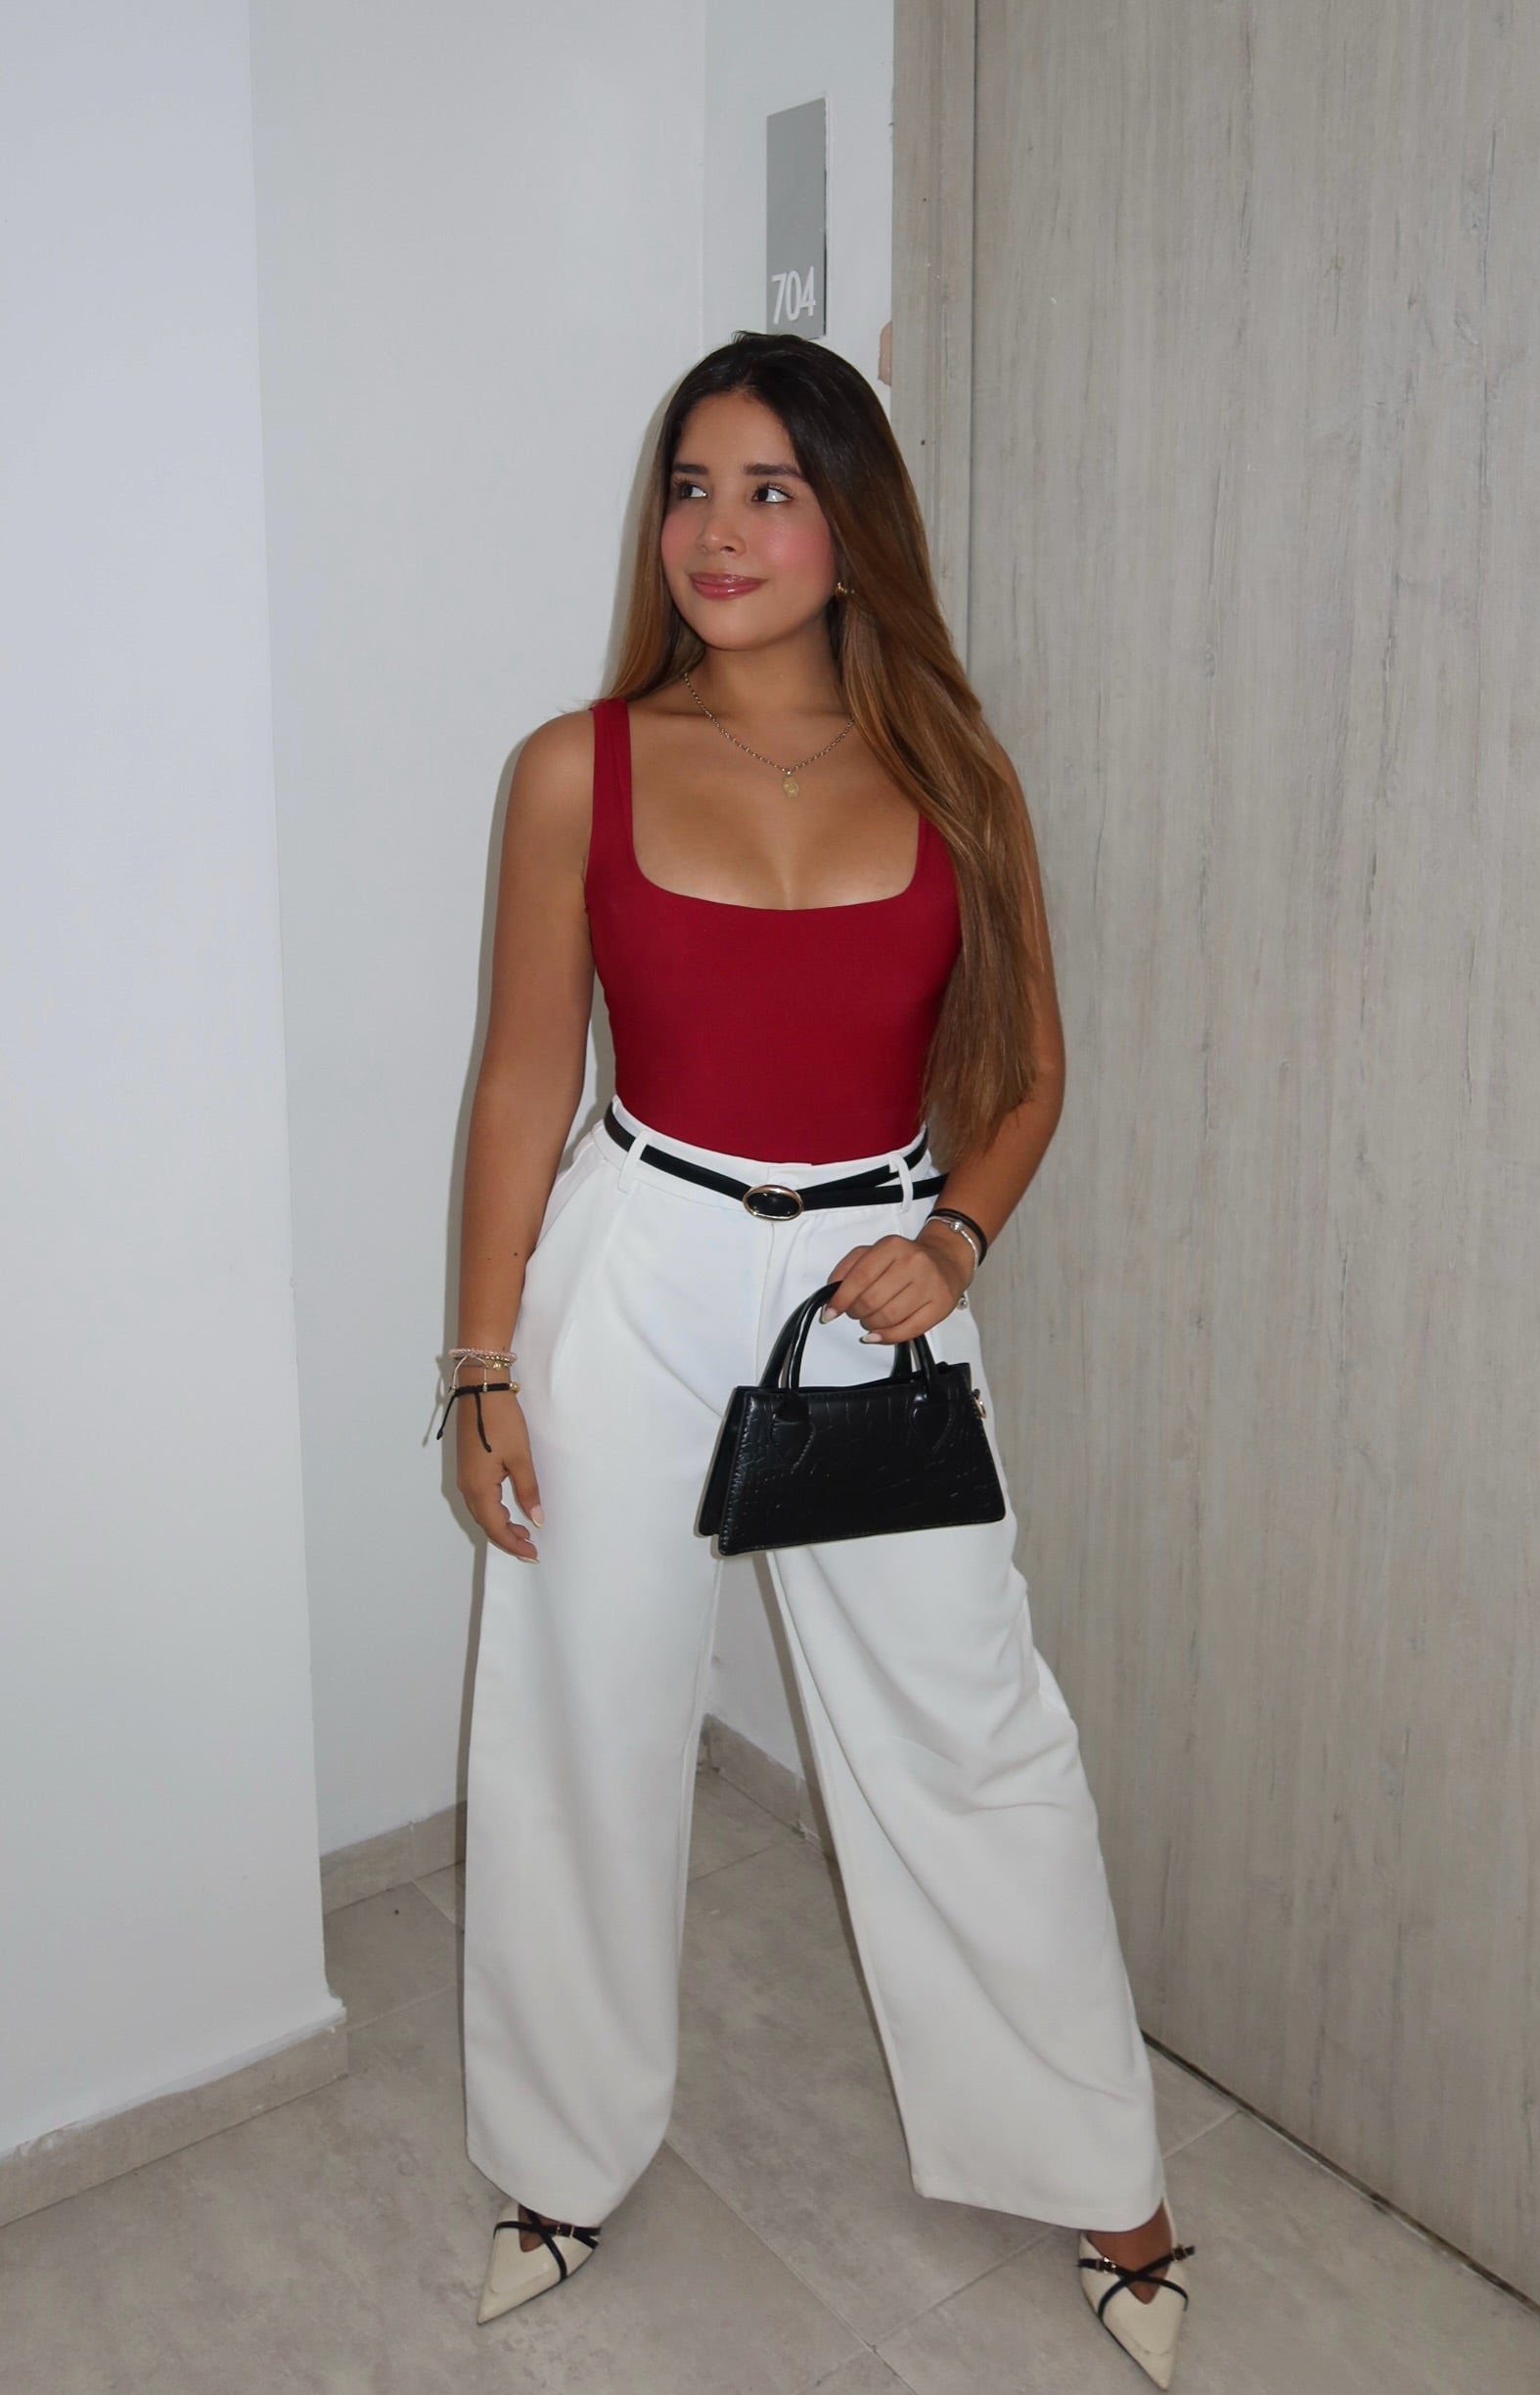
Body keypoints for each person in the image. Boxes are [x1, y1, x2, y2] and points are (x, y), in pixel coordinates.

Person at [438, 331, 1195, 2388]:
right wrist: (481, 1361)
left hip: (873, 1285)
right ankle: (560, 2162)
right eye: (690, 487)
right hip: (634, 1261)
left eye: (771, 488)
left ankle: (1099, 2168)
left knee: (971, 1718)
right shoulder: (577, 767)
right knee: (582, 1719)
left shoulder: (958, 773)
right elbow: (522, 1078)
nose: (718, 531)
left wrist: (951, 1242)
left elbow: (1028, 1075)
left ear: (853, 522)